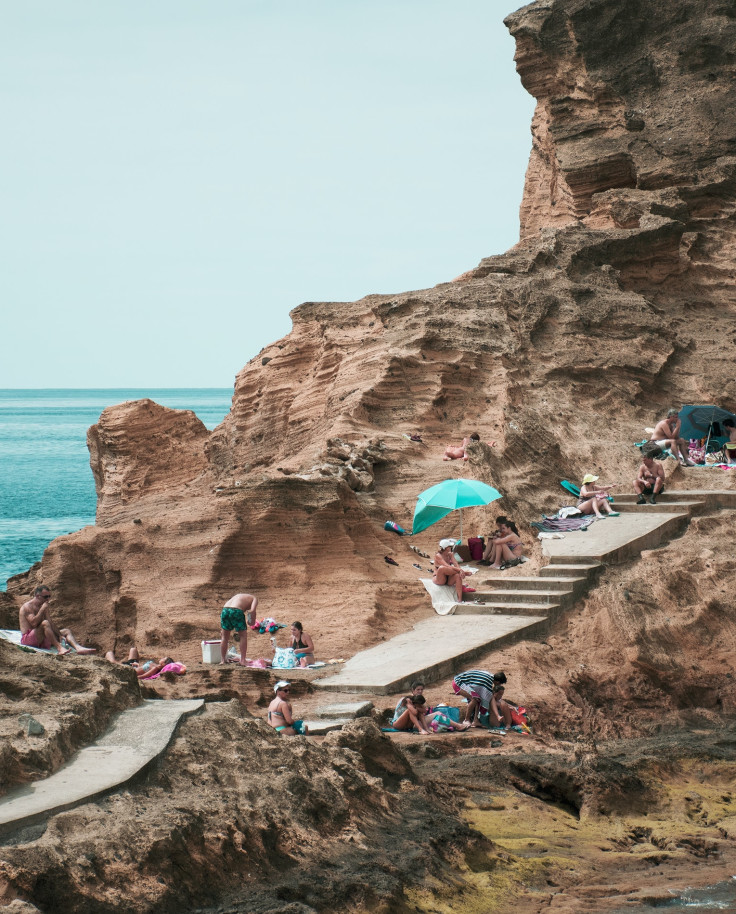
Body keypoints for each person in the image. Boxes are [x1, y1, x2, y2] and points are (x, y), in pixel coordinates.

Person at [19, 586, 96, 655]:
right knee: (45, 623)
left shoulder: (43, 606)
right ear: (37, 596)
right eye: (45, 597)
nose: (48, 599)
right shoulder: (28, 607)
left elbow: (50, 622)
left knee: (66, 631)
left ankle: (78, 648)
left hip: (40, 637)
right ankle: (59, 648)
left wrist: (59, 635)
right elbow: (34, 623)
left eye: (49, 596)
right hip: (28, 640)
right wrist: (42, 610)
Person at [220, 593, 258, 666]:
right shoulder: (254, 599)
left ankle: (223, 660)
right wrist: (251, 623)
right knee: (243, 636)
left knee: (224, 637)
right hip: (236, 611)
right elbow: (252, 611)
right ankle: (243, 660)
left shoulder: (239, 596)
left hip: (225, 610)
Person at [105, 647, 175, 679]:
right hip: (134, 666)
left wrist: (134, 679)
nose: (162, 658)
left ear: (164, 664)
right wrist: (137, 665)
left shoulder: (155, 668)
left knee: (109, 653)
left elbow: (144, 676)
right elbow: (143, 669)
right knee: (133, 649)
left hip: (128, 670)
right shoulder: (155, 665)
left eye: (163, 659)